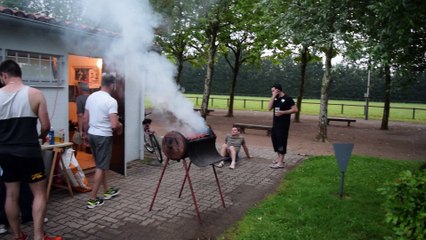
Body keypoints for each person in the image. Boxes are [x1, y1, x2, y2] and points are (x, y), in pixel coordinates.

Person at [0, 60, 61, 240]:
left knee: (11, 194)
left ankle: (18, 235)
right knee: (39, 193)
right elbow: (46, 125)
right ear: (20, 74)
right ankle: (38, 236)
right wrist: (41, 137)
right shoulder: (35, 94)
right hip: (29, 153)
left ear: (4, 75)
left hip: (4, 153)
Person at [83, 73, 122, 209]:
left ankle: (106, 191)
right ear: (112, 85)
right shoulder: (111, 101)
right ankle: (92, 199)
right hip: (103, 136)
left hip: (92, 134)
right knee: (100, 166)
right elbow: (113, 124)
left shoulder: (91, 97)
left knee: (100, 163)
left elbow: (85, 119)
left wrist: (85, 135)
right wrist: (120, 126)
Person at [268, 83, 298, 169]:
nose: (272, 92)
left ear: (278, 90)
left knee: (281, 141)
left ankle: (281, 163)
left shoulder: (288, 98)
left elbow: (295, 109)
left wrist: (283, 112)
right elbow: (269, 108)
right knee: (276, 140)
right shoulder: (276, 98)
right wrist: (273, 97)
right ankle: (279, 159)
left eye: (273, 91)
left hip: (283, 125)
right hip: (275, 124)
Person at [73, 83, 91, 155]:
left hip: (84, 125)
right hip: (94, 125)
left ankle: (72, 161)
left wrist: (80, 130)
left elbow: (80, 115)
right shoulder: (93, 97)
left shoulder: (79, 98)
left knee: (75, 142)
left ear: (80, 89)